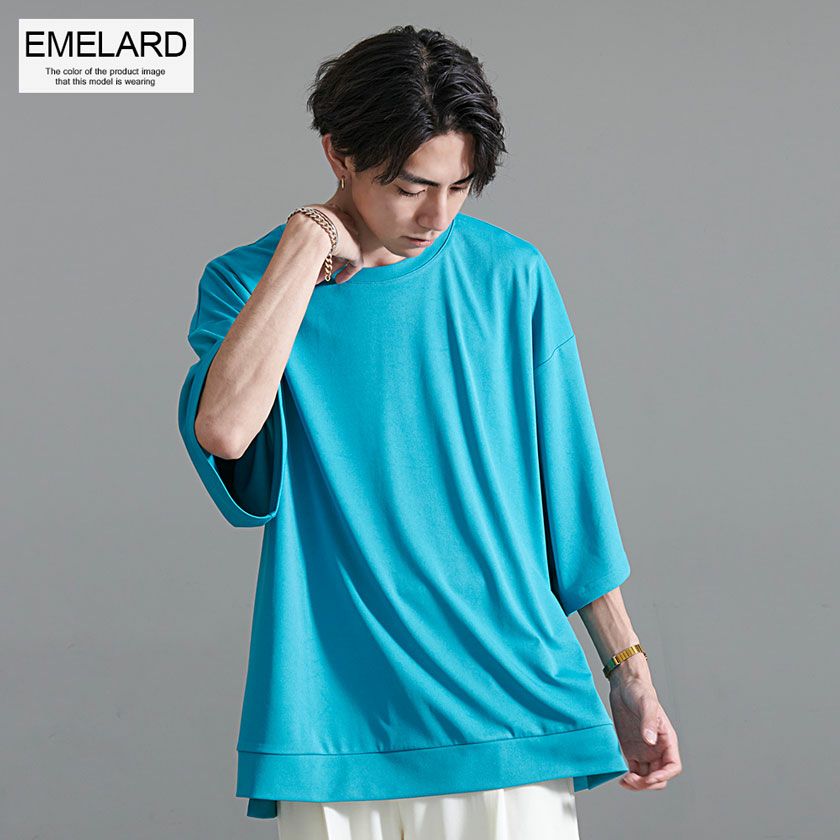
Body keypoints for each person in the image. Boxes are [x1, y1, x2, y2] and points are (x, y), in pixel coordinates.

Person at [177, 24, 682, 840]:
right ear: (339, 154)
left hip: (509, 708)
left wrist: (628, 669)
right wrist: (307, 240)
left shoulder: (512, 276)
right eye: (411, 187)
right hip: (334, 721)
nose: (436, 215)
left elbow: (572, 493)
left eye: (459, 186)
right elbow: (227, 431)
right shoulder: (248, 285)